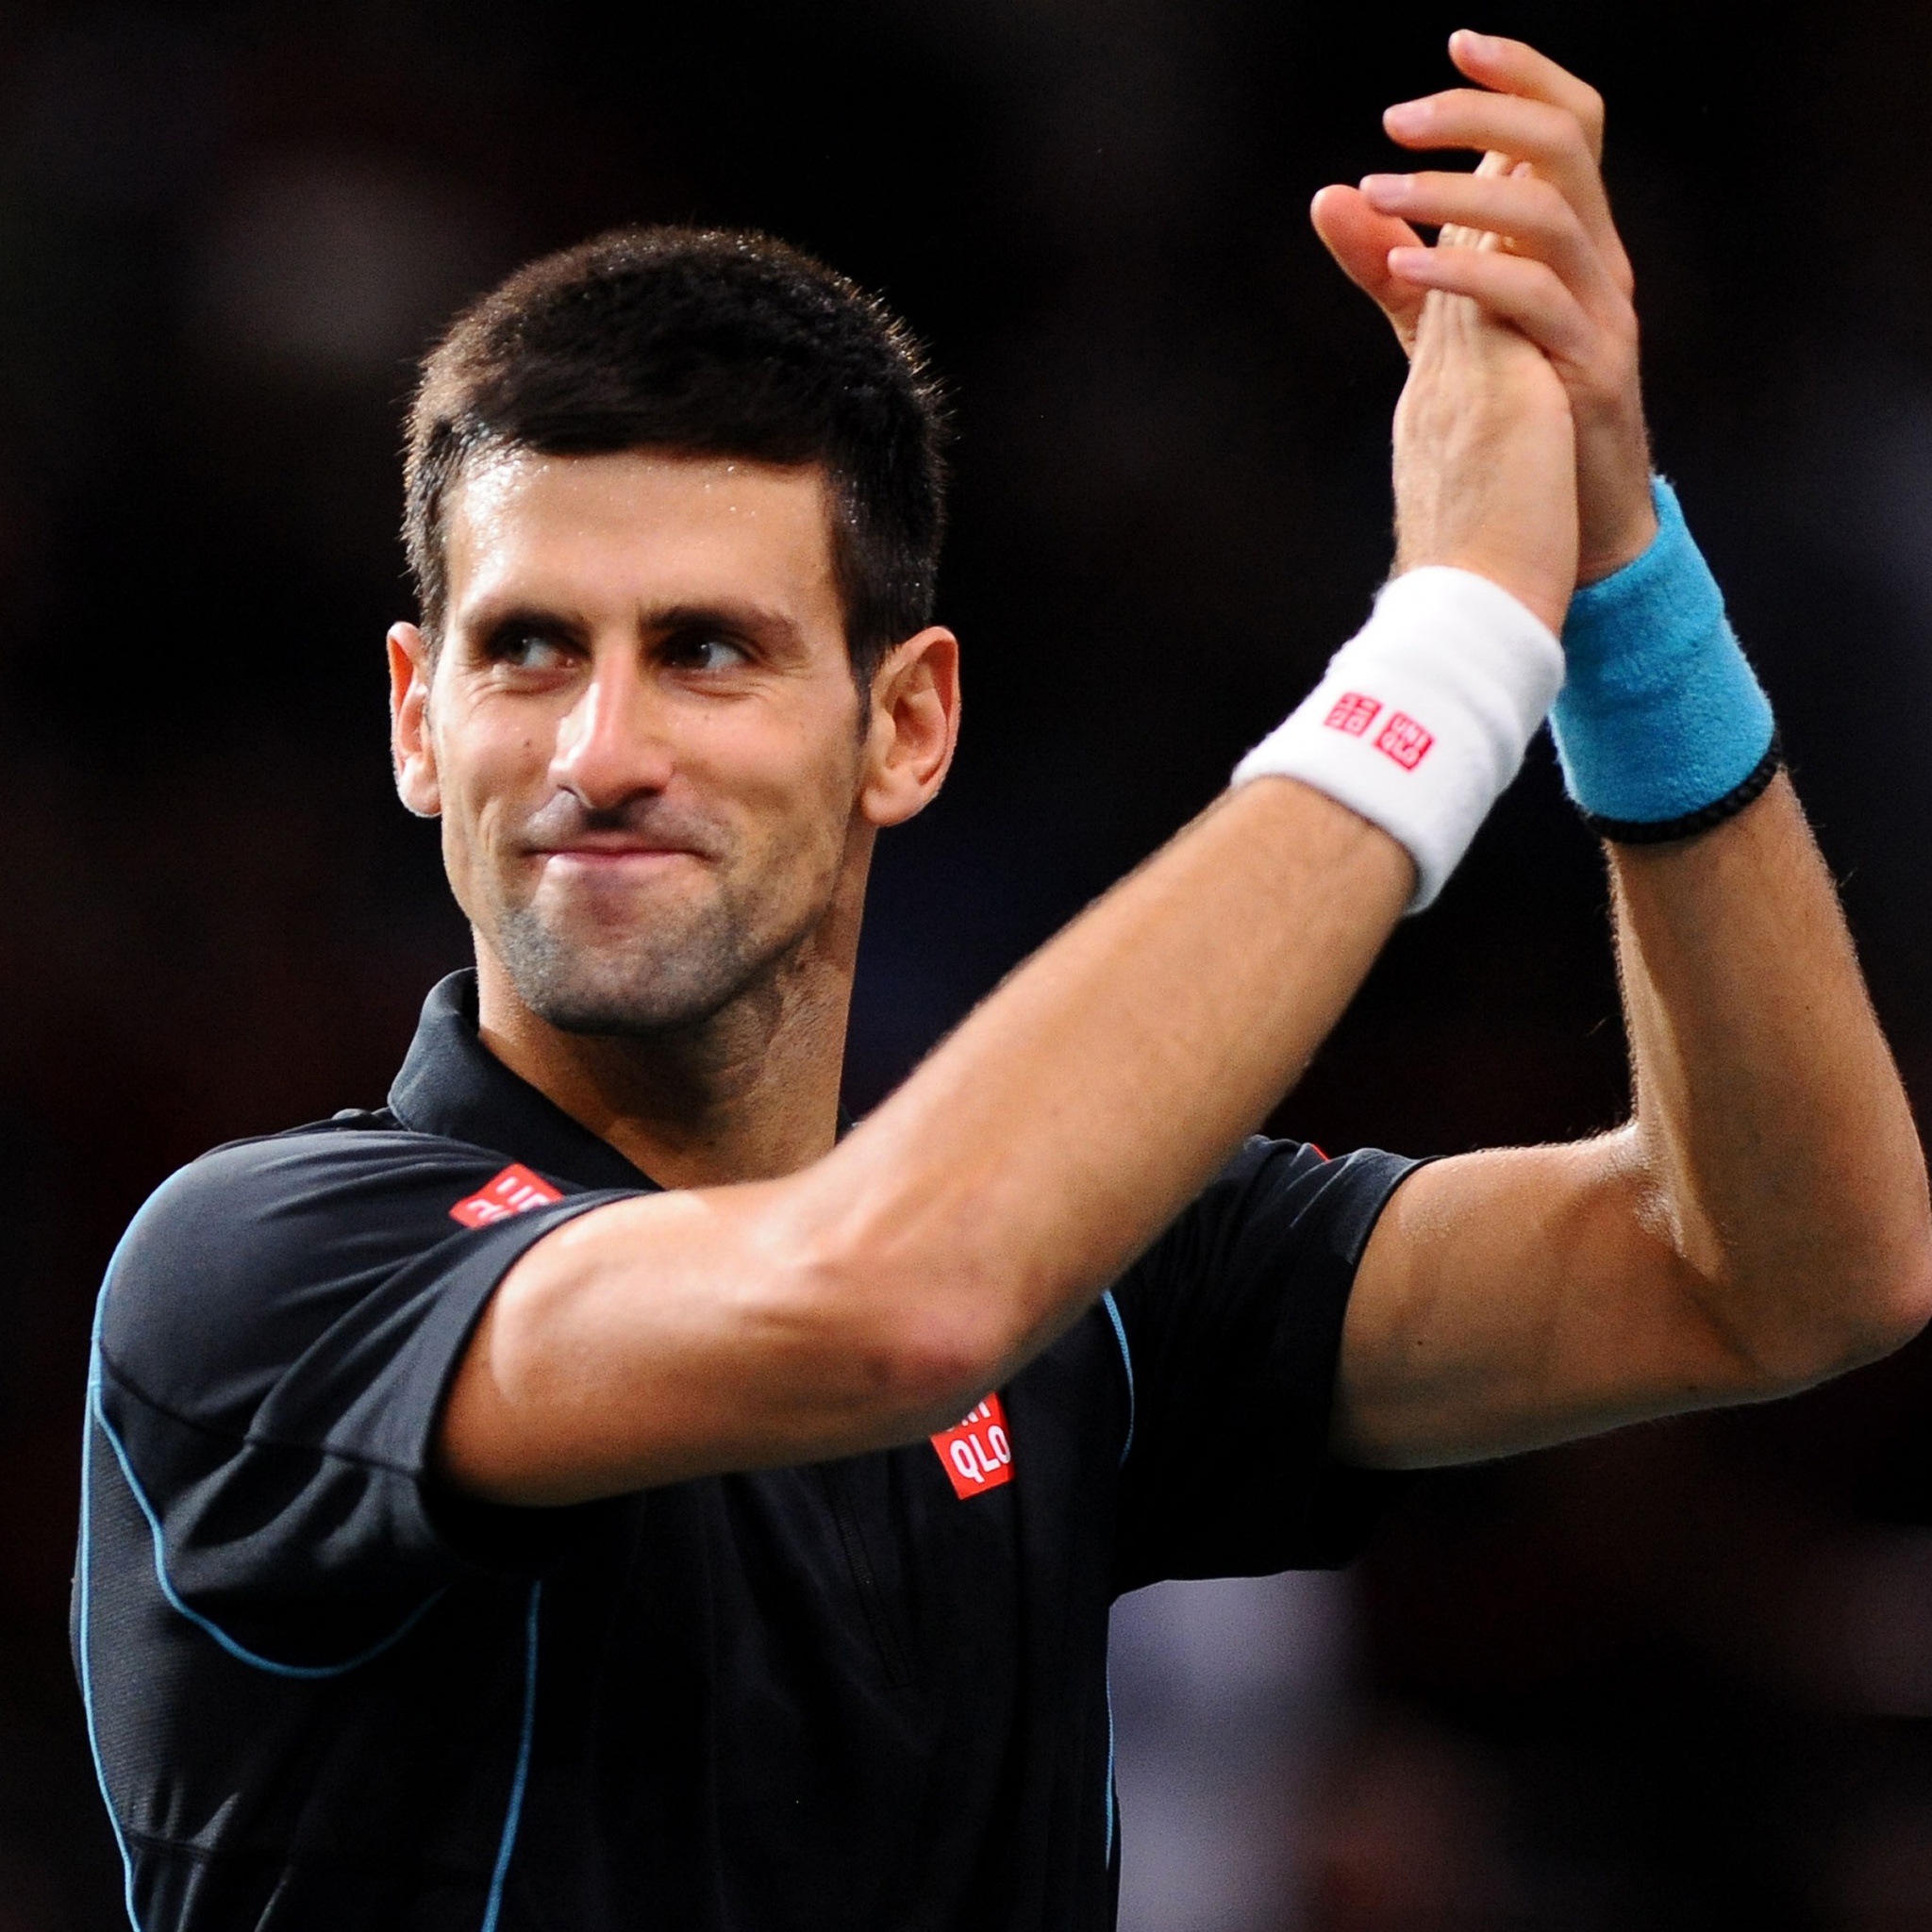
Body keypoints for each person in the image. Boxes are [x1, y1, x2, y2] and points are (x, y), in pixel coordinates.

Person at [75, 31, 1931, 1932]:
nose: (598, 748)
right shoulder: (259, 1273)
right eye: (531, 649)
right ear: (415, 717)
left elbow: (1786, 1268)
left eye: (708, 651)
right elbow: (903, 1295)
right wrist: (1454, 629)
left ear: (907, 724)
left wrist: (1617, 579)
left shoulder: (1099, 1291)